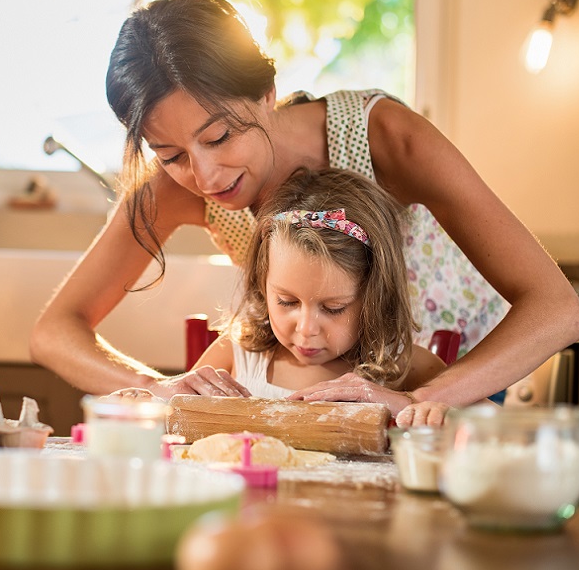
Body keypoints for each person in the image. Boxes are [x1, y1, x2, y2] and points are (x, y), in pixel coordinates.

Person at [30, 0, 579, 427]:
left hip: (452, 379)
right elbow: (54, 331)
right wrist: (156, 390)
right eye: (171, 154)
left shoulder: (386, 137)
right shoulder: (178, 187)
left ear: (266, 92)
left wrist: (413, 399)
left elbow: (558, 309)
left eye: (220, 136)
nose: (205, 177)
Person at [191, 167, 446, 419]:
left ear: (375, 297)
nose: (306, 328)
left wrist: (411, 405)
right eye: (286, 301)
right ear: (262, 282)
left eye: (333, 307)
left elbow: (482, 426)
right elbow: (173, 415)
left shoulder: (407, 367)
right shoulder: (238, 354)